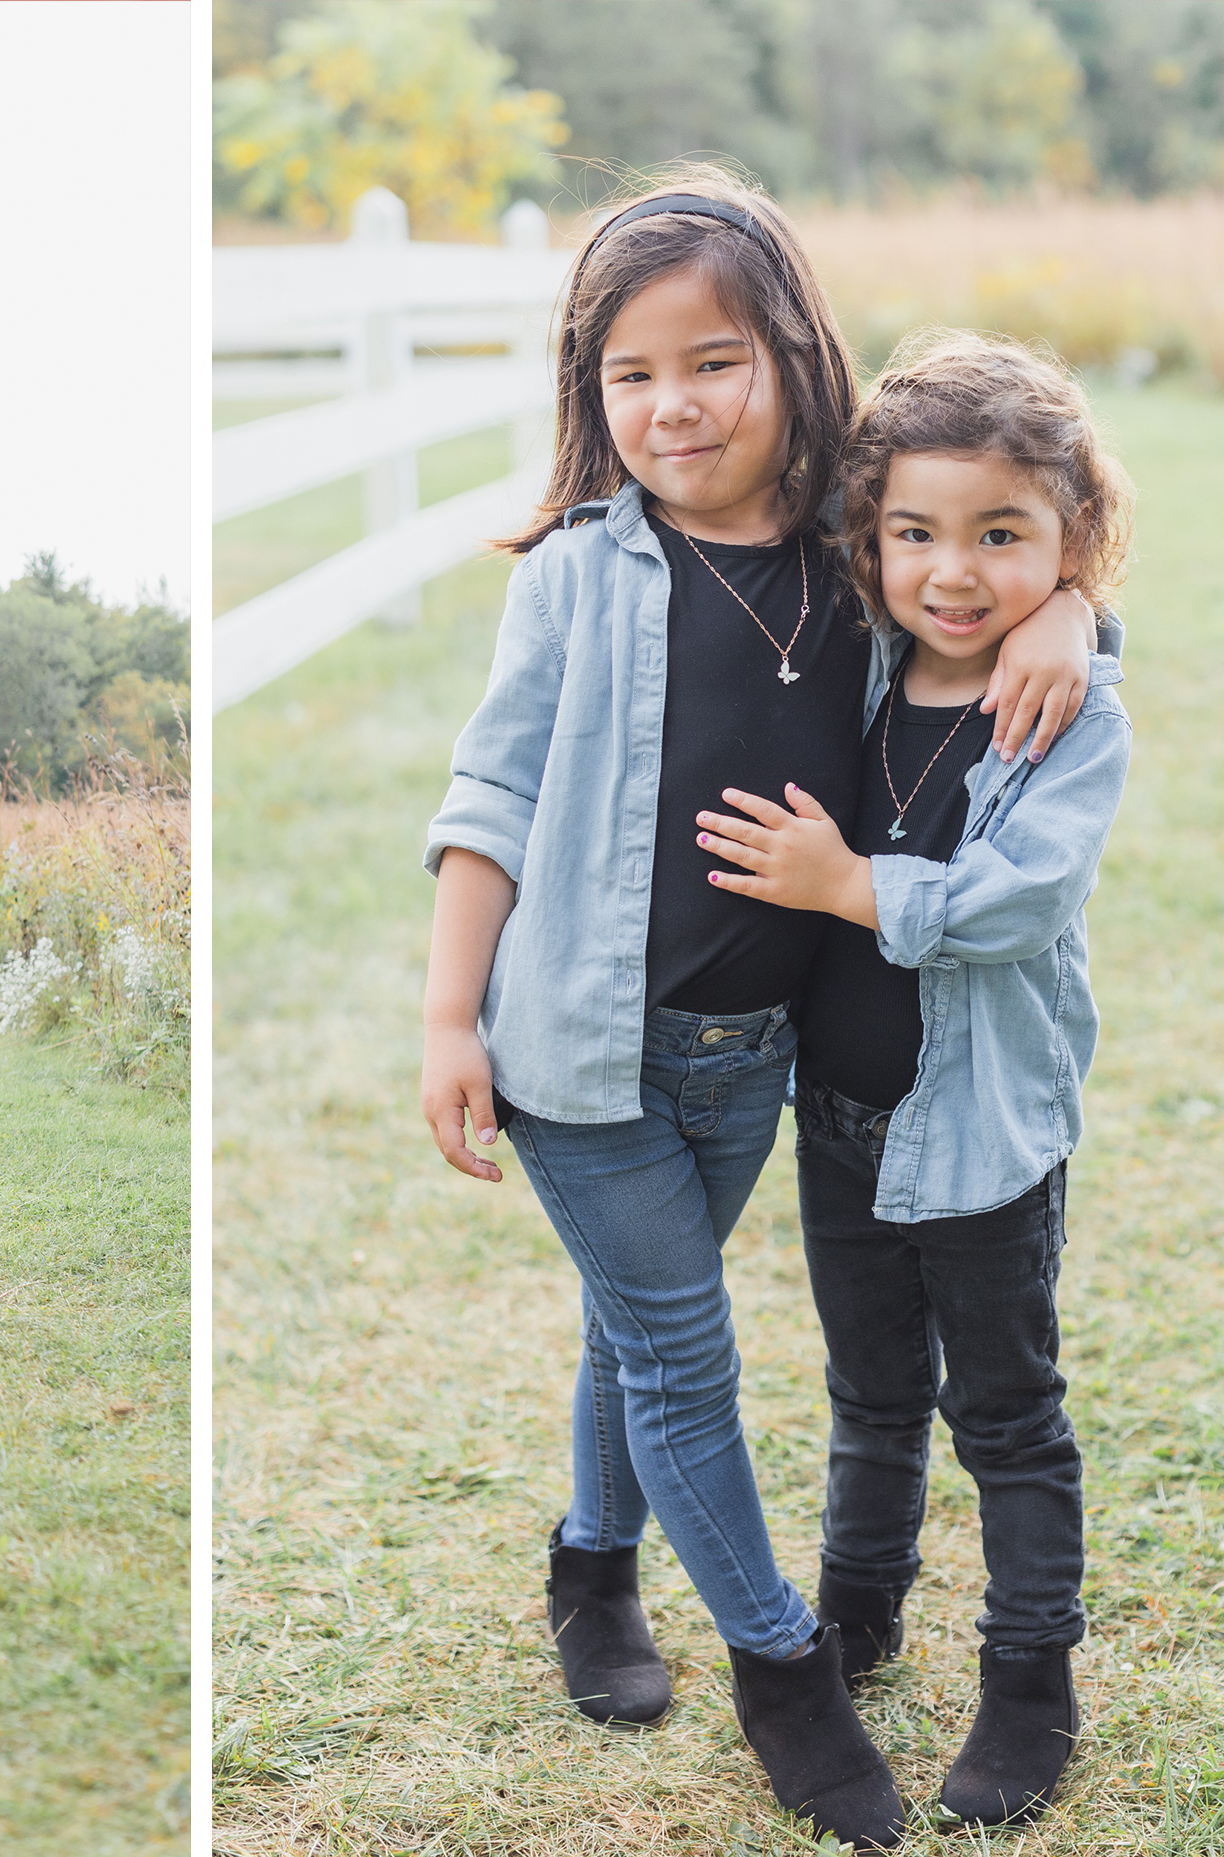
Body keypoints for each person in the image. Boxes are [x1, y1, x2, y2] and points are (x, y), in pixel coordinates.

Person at [418, 166, 1114, 1851]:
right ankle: (785, 1673)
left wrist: (1080, 609)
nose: (673, 403)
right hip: (581, 1047)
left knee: (631, 1318)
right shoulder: (578, 573)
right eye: (630, 373)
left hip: (757, 1061)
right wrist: (450, 1020)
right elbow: (489, 798)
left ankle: (593, 1567)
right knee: (678, 1345)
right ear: (591, 393)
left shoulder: (854, 562)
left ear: (796, 356)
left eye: (714, 360)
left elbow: (987, 558)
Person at [696, 329, 1132, 1829]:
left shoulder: (1066, 711)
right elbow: (790, 502)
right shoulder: (865, 657)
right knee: (871, 1394)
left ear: (1071, 536)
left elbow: (1017, 899)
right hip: (841, 1122)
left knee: (1006, 1414)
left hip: (986, 1139)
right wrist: (1060, 593)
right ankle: (859, 1618)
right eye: (918, 533)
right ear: (870, 539)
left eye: (1006, 538)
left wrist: (839, 882)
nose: (955, 570)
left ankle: (1029, 1685)